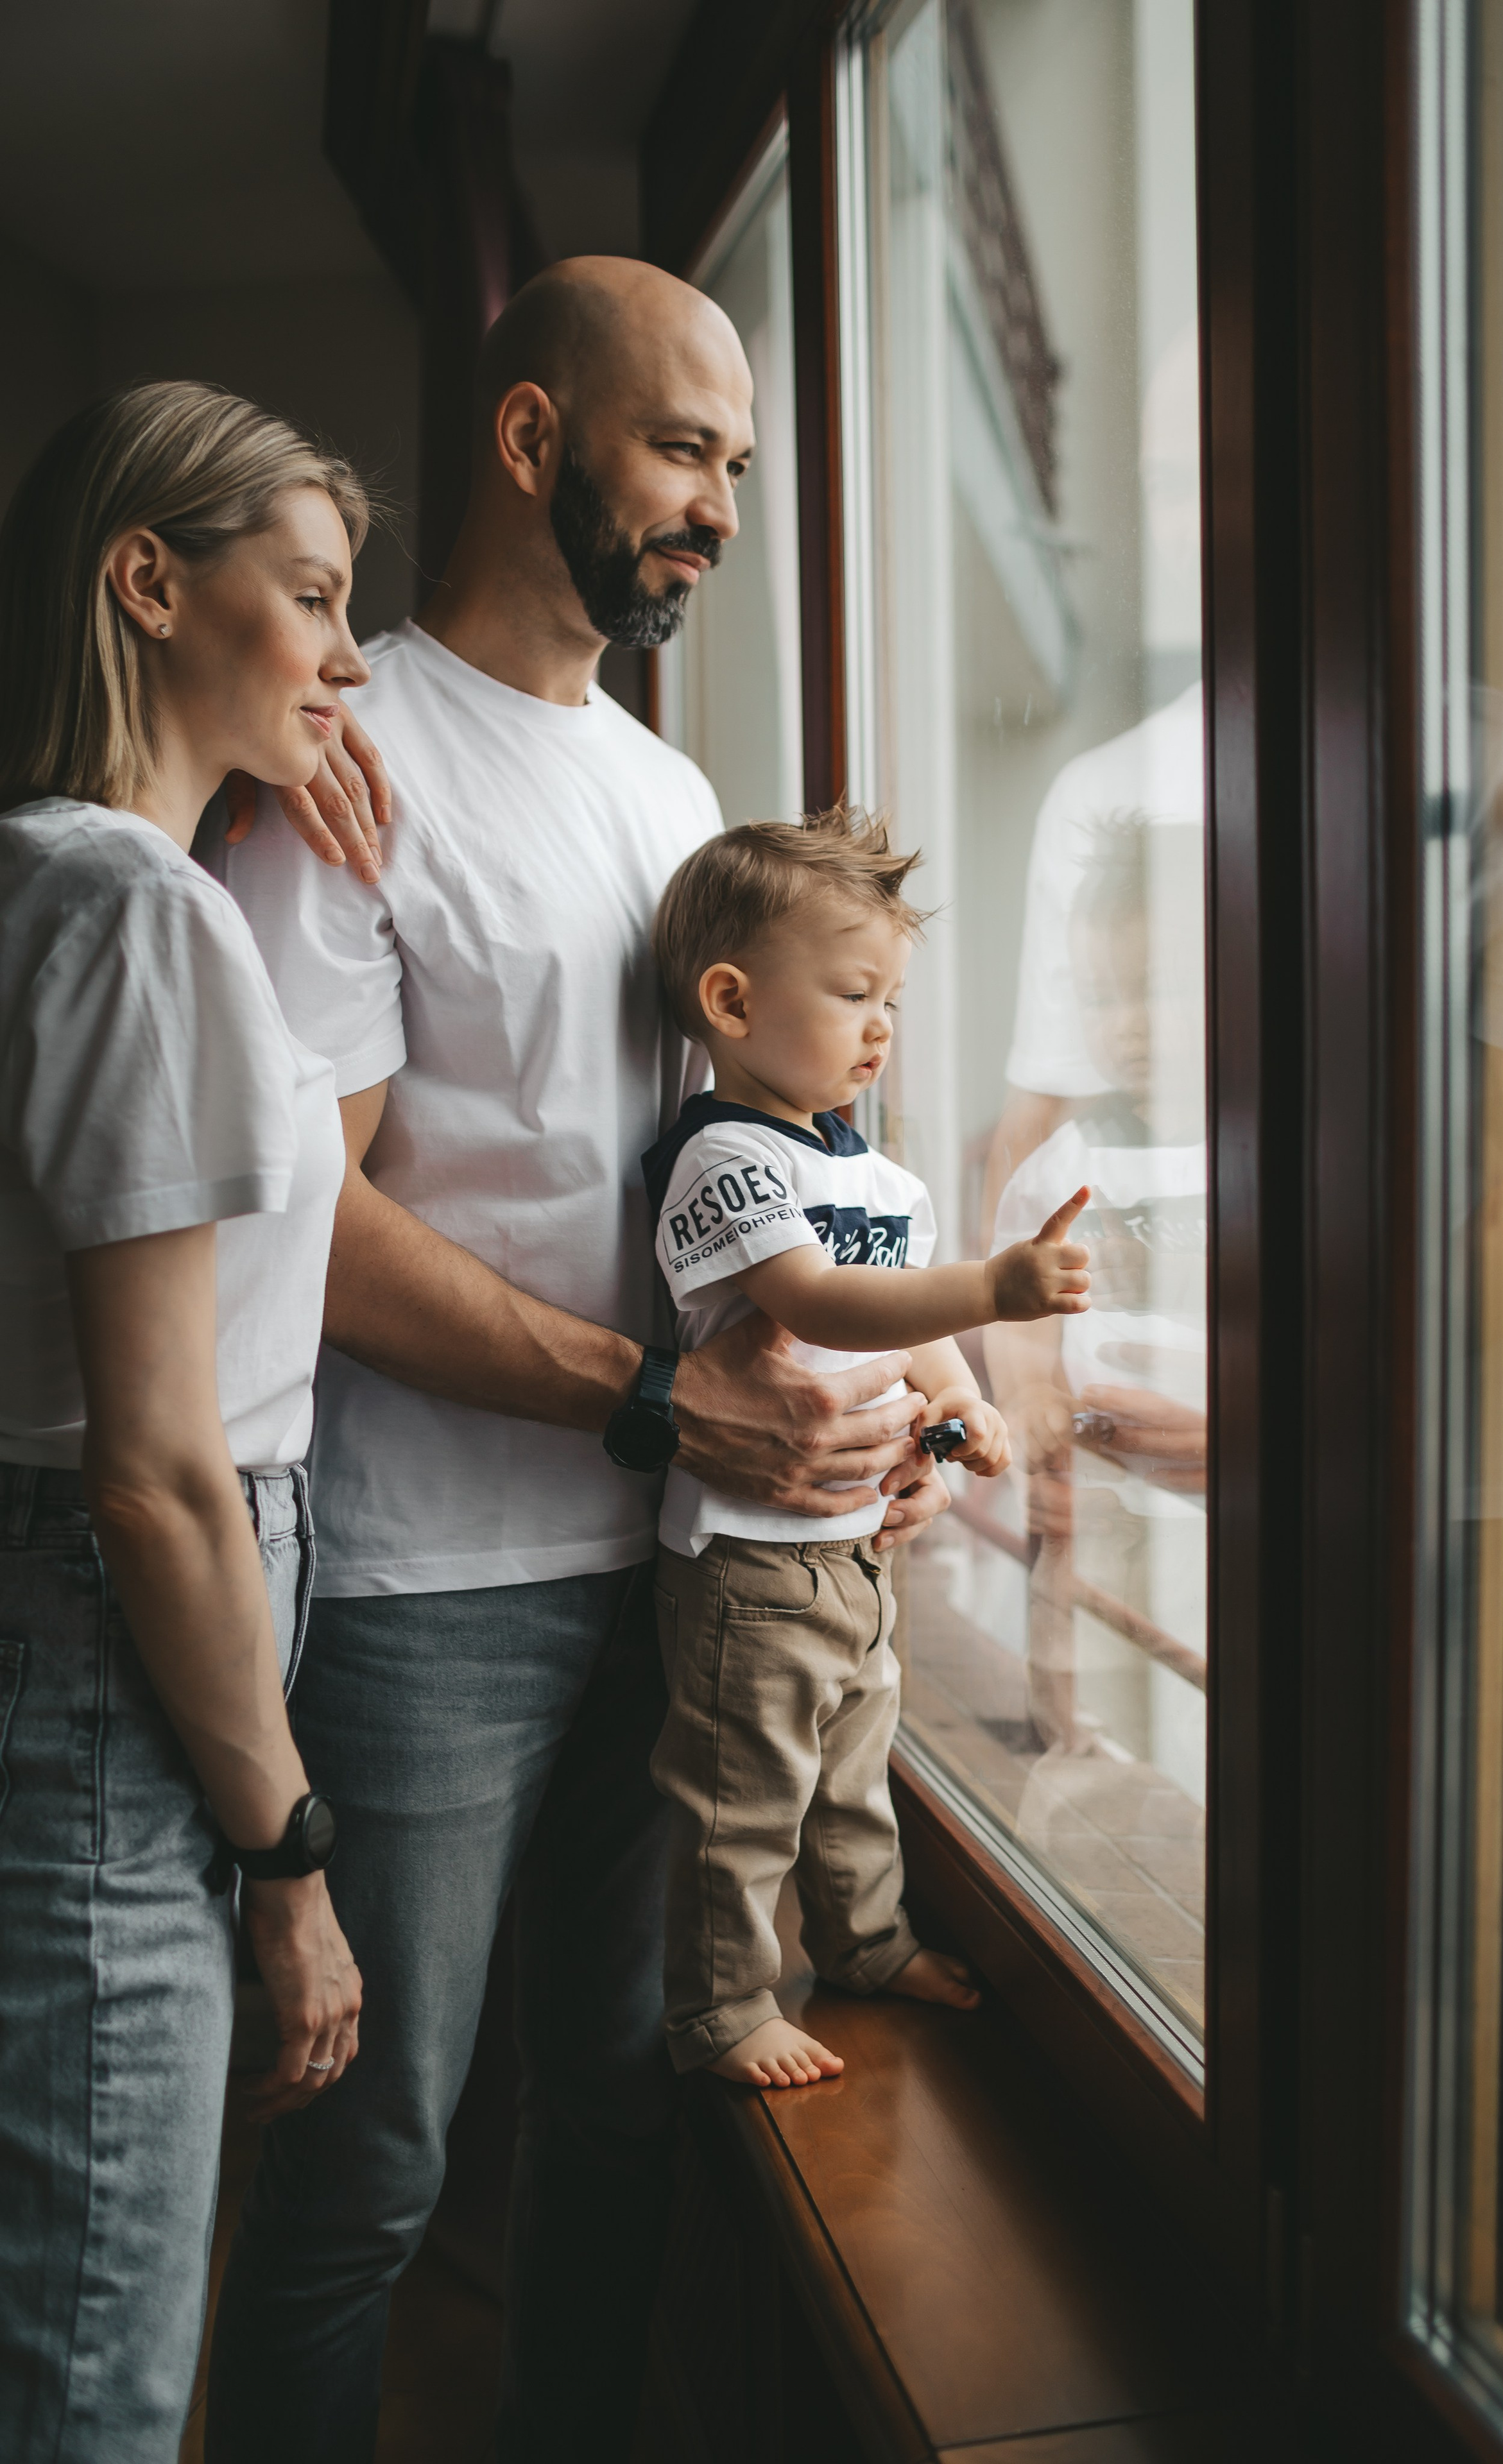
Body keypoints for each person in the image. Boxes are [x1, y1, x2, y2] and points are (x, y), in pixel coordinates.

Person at [203, 257, 952, 2463]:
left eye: (739, 462)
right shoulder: (349, 763)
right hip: (430, 1600)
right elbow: (293, 1227)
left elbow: (768, 1185)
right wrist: (646, 1396)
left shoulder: (671, 787)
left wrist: (876, 1400)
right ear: (533, 439)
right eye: (683, 449)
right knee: (378, 2165)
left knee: (625, 2120)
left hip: (689, 1578)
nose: (716, 502)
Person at [0, 380, 368, 2464]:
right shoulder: (137, 917)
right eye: (309, 599)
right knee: (93, 2386)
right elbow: (154, 1477)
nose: (343, 655)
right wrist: (286, 1862)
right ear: (150, 581)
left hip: (74, 1650)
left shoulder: (60, 886)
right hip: (122, 1691)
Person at [644, 806, 1091, 2087]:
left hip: (853, 1544)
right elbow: (821, 1304)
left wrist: (966, 1408)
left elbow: (905, 1338)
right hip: (746, 1555)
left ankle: (864, 1942)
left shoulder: (878, 1180)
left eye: (891, 996)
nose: (881, 1026)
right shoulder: (722, 1156)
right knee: (742, 1794)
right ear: (730, 1001)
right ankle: (721, 2007)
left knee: (852, 1764)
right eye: (852, 993)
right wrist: (991, 1293)